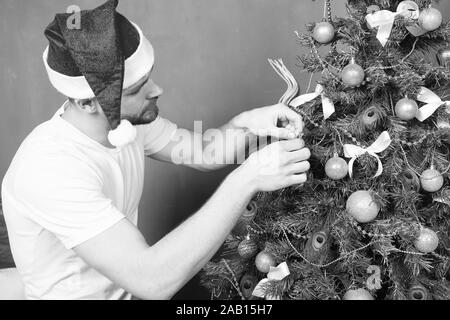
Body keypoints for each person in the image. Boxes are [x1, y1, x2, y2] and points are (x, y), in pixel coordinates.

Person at [1, 0, 311, 300]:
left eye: (147, 78)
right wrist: (247, 179)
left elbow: (201, 150)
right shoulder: (49, 170)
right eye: (137, 89)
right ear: (87, 102)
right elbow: (152, 280)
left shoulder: (125, 123)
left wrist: (249, 124)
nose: (157, 90)